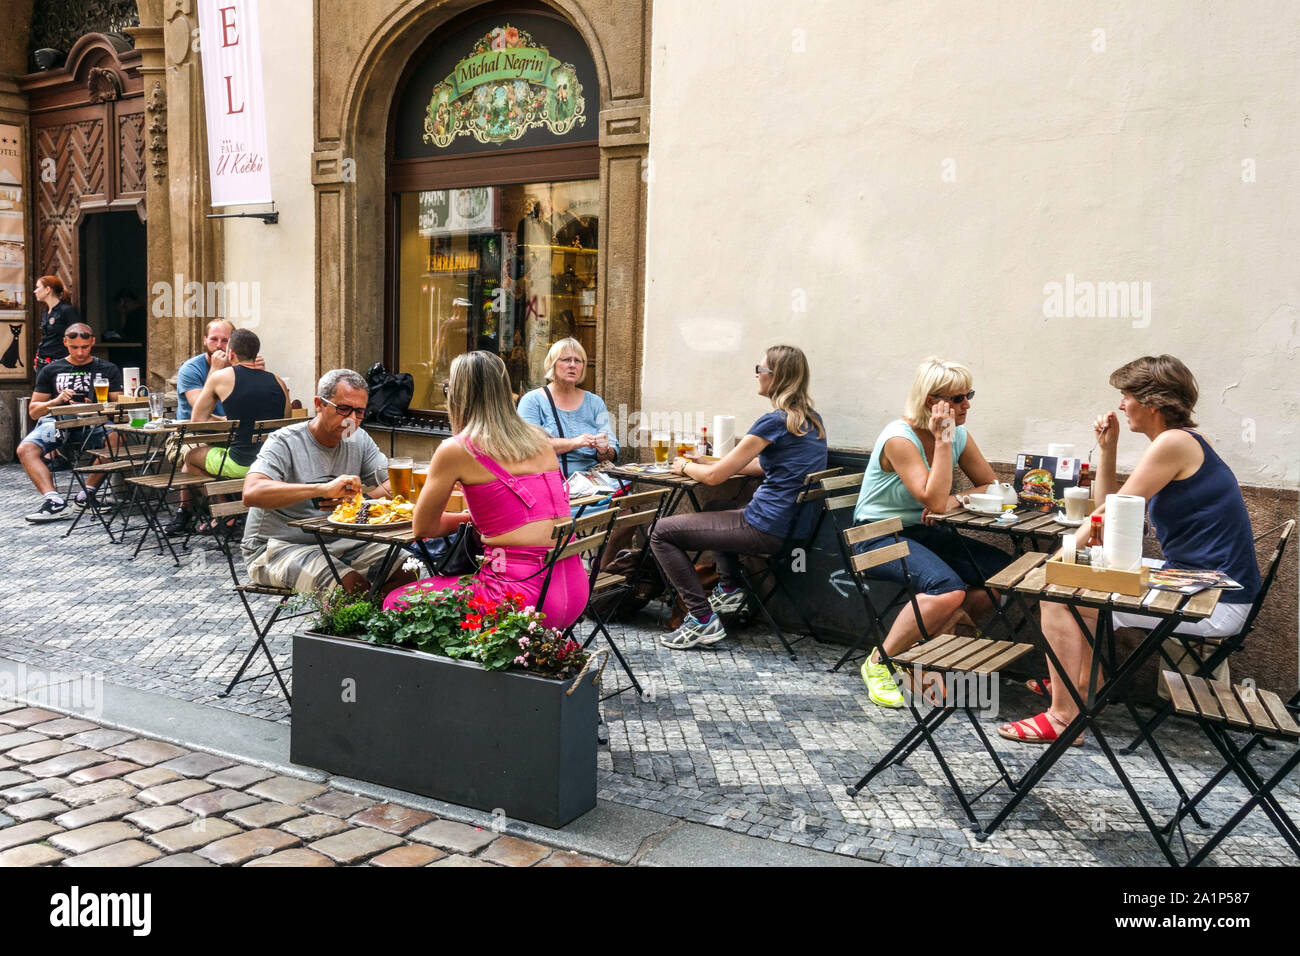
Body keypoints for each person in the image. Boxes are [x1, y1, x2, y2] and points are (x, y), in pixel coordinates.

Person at [998, 355, 1261, 745]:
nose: (1121, 404)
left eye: (1127, 395)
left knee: (1054, 597)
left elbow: (1104, 514)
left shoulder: (1174, 442)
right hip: (1201, 583)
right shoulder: (1178, 443)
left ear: (1152, 401)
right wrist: (1108, 450)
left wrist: (1059, 557)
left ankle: (1064, 716)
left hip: (1216, 600)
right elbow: (1114, 514)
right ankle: (1087, 688)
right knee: (1080, 590)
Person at [383, 351, 589, 632]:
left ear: (457, 395)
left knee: (396, 601)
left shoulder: (457, 449)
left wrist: (467, 518)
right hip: (574, 588)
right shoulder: (539, 439)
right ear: (506, 392)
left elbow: (423, 527)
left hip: (520, 596)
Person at [850, 356, 1009, 708]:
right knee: (946, 591)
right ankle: (880, 662)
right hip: (876, 535)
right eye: (956, 398)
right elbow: (933, 501)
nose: (966, 404)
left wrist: (954, 500)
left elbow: (990, 486)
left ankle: (925, 654)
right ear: (930, 402)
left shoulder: (960, 433)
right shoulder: (899, 438)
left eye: (969, 394)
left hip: (922, 532)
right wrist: (943, 443)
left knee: (1006, 578)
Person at [650, 345, 828, 650]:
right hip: (794, 528)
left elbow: (716, 478)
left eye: (761, 370)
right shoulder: (811, 421)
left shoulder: (774, 421)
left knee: (661, 533)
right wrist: (706, 462)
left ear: (777, 378)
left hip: (764, 527)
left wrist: (686, 465)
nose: (757, 376)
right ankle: (730, 587)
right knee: (716, 507)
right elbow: (759, 465)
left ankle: (701, 619)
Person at [241, 369, 410, 594]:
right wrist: (321, 489)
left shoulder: (357, 438)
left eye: (359, 412)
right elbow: (251, 492)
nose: (351, 419)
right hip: (274, 548)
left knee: (410, 569)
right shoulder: (285, 441)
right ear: (319, 404)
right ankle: (350, 624)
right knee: (349, 585)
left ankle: (372, 625)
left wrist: (364, 501)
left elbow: (394, 482)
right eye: (343, 409)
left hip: (339, 542)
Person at [18, 323, 123, 522]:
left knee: (119, 437)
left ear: (93, 342)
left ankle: (86, 495)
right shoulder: (51, 369)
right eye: (74, 347)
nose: (81, 353)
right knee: (25, 449)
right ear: (65, 342)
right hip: (57, 422)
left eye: (85, 347)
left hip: (94, 421)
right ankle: (54, 501)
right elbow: (33, 411)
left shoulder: (107, 369)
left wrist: (95, 405)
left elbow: (119, 407)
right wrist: (56, 401)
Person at [516, 337, 618, 477]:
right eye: (566, 360)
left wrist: (603, 450)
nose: (572, 365)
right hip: (550, 482)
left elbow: (611, 454)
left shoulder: (595, 402)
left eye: (578, 361)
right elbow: (528, 447)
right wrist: (575, 442)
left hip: (593, 482)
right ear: (552, 364)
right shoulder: (532, 401)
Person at [32, 276, 81, 369]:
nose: (35, 291)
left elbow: (78, 336)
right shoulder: (46, 312)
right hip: (42, 361)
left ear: (47, 290)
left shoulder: (66, 311)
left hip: (60, 362)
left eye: (38, 287)